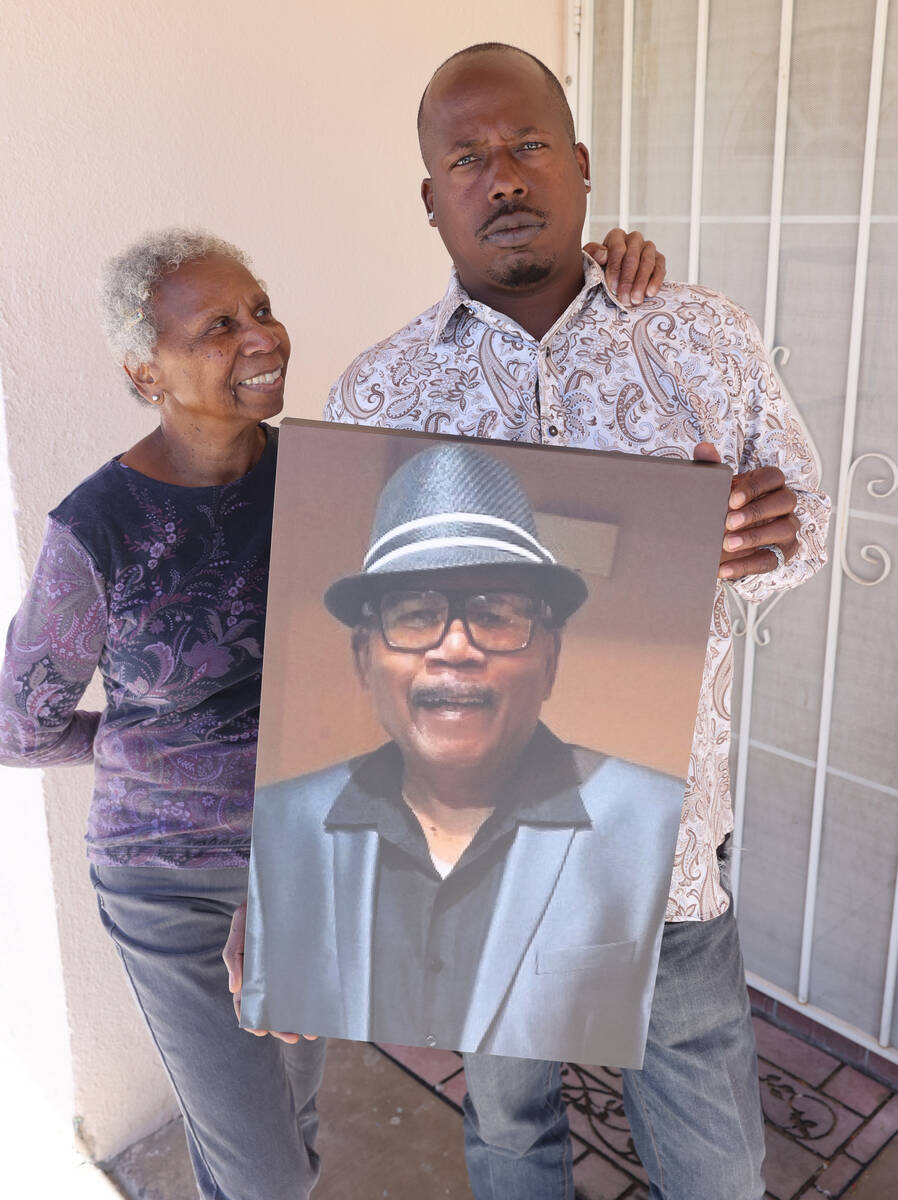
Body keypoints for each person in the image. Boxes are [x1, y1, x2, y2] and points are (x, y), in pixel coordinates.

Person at [233, 41, 831, 1200]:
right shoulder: (378, 397)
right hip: (473, 871)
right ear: (430, 197)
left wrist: (765, 541)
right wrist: (285, 887)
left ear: (581, 165)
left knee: (720, 1168)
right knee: (510, 1138)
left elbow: (796, 522)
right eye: (466, 158)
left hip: (665, 871)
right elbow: (324, 651)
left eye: (527, 145)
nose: (500, 176)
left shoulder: (699, 338)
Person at [0, 225, 664, 1199]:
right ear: (147, 371)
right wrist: (144, 742)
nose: (261, 336)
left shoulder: (329, 477)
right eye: (219, 326)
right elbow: (20, 721)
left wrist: (593, 276)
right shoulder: (98, 531)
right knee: (262, 1168)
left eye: (260, 309)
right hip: (170, 884)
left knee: (291, 1102)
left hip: (314, 850)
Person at [240, 441, 686, 1066]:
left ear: (550, 660)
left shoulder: (661, 821)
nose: (455, 649)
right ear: (364, 658)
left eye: (496, 614)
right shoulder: (280, 824)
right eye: (417, 613)